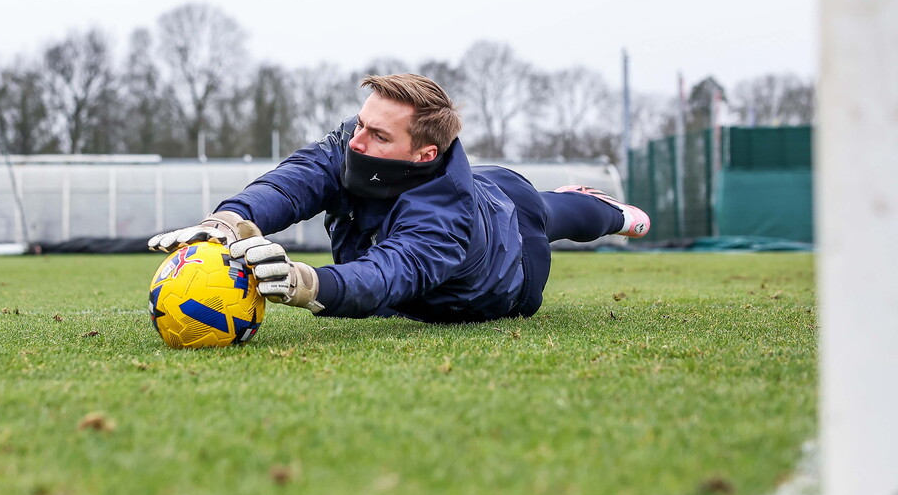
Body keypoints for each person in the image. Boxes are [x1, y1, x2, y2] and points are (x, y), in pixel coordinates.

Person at [148, 74, 650, 323]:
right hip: (475, 181)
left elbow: (390, 272)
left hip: (512, 255)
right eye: (360, 124)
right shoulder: (356, 142)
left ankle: (614, 213)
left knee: (554, 211)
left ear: (424, 151)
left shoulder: (445, 221)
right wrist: (232, 220)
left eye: (378, 136)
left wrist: (308, 282)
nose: (357, 142)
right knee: (535, 200)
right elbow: (298, 178)